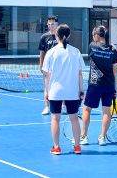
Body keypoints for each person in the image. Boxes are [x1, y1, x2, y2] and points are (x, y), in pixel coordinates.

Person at [42, 24, 85, 155]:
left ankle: (56, 147)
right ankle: (77, 146)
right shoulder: (76, 51)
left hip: (56, 91)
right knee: (74, 119)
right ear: (69, 35)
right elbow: (80, 74)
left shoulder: (51, 52)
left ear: (56, 36)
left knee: (55, 119)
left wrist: (46, 90)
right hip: (72, 91)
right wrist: (81, 90)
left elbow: (47, 75)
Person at [81, 26, 117, 146]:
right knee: (106, 112)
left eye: (93, 35)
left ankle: (84, 136)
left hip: (94, 84)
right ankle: (102, 138)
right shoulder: (112, 50)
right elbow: (115, 70)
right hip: (109, 85)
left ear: (97, 35)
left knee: (87, 109)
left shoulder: (93, 46)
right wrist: (116, 87)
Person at [39, 15, 67, 115]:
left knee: (62, 85)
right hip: (48, 67)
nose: (50, 26)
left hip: (60, 66)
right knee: (47, 87)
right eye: (49, 24)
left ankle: (63, 106)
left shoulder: (61, 36)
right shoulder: (44, 37)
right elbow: (42, 52)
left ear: (57, 24)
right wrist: (41, 64)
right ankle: (47, 107)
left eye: (52, 24)